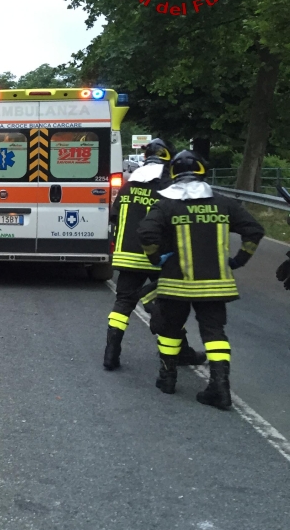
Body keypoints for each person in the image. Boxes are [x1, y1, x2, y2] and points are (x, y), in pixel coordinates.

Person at [138, 150, 265, 408]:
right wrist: (239, 260)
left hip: (177, 283)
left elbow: (146, 233)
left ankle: (168, 378)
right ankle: (220, 387)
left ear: (173, 174)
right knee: (214, 333)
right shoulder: (223, 202)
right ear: (202, 171)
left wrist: (155, 259)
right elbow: (254, 230)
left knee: (170, 329)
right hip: (215, 284)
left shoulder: (166, 204)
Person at [103, 139, 203, 370]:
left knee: (123, 303)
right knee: (170, 307)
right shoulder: (168, 187)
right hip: (159, 258)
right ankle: (181, 353)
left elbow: (114, 216)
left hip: (127, 257)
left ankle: (111, 354)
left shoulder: (129, 185)